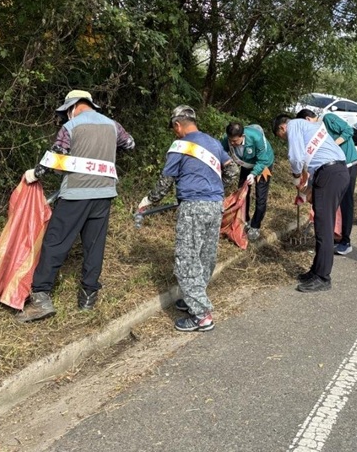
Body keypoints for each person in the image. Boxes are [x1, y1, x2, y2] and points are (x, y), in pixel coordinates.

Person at [17, 90, 135, 322]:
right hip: (104, 194)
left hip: (75, 195)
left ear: (71, 108)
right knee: (94, 245)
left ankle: (41, 298)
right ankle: (88, 298)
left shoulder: (71, 127)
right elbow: (130, 144)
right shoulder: (113, 125)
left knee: (55, 242)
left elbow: (56, 155)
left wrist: (36, 173)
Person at [137, 106, 237, 332]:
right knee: (205, 256)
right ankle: (194, 298)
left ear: (177, 125)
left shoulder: (180, 146)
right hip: (215, 206)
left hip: (193, 207)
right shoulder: (212, 143)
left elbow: (165, 181)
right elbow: (232, 172)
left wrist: (148, 200)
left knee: (186, 260)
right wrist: (215, 190)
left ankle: (202, 316)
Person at [273, 114, 349, 292]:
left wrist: (296, 177)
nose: (285, 140)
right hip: (332, 172)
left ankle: (323, 277)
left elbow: (296, 158)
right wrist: (306, 192)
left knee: (323, 227)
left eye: (281, 137)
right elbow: (315, 163)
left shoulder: (293, 126)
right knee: (322, 225)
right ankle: (316, 271)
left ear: (282, 128)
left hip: (330, 173)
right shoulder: (308, 127)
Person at [296, 108, 357, 256]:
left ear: (307, 119)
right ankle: (335, 236)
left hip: (348, 163)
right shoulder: (314, 133)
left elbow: (348, 131)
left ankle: (346, 241)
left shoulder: (328, 119)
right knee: (333, 205)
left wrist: (333, 144)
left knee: (346, 203)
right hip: (333, 168)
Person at [221, 121, 274, 241]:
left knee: (260, 195)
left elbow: (263, 160)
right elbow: (220, 151)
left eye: (235, 141)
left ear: (242, 136)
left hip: (264, 165)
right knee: (243, 192)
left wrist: (254, 174)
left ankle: (255, 226)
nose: (233, 144)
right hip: (246, 164)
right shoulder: (228, 140)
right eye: (231, 141)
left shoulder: (257, 138)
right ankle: (245, 220)